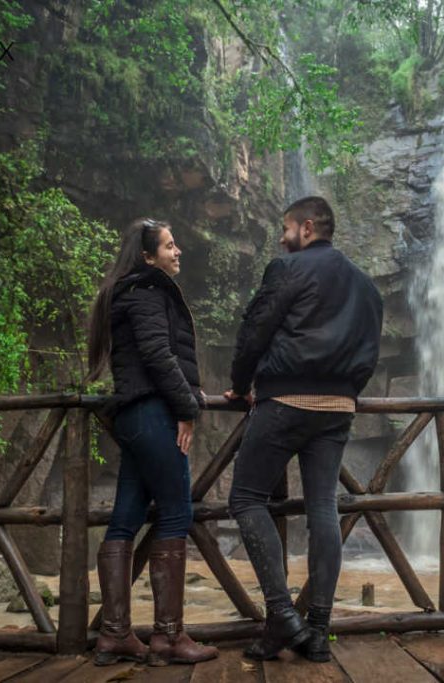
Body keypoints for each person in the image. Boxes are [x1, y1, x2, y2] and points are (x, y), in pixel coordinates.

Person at [225, 196, 384, 661]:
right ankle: (317, 631)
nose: (281, 236)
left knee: (246, 498)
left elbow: (255, 331)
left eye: (287, 227)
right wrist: (347, 391)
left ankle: (281, 614)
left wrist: (240, 385)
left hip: (285, 401)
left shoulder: (286, 270)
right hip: (338, 409)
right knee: (322, 510)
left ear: (308, 228)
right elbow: (370, 351)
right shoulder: (366, 286)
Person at [85, 218, 217, 667]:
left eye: (177, 244)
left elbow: (154, 356)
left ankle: (115, 635)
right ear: (147, 256)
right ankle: (168, 638)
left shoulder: (129, 291)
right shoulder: (146, 293)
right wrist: (187, 408)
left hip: (136, 415)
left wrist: (186, 397)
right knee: (177, 513)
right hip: (153, 413)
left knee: (125, 519)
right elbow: (158, 354)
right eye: (169, 245)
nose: (178, 251)